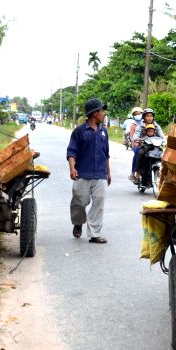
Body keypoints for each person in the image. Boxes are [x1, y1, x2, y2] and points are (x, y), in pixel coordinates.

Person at [66, 98, 111, 244]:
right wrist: (72, 168)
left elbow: (106, 154)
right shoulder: (79, 131)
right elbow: (71, 151)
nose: (104, 113)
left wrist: (108, 173)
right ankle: (78, 222)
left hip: (100, 174)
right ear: (95, 113)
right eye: (102, 111)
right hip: (83, 173)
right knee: (79, 202)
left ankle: (94, 234)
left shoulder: (104, 132)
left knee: (99, 203)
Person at [130, 108, 163, 181]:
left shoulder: (157, 126)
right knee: (140, 153)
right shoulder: (140, 126)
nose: (149, 118)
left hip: (154, 146)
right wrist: (138, 140)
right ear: (144, 117)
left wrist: (165, 140)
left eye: (151, 116)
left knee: (162, 154)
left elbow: (162, 136)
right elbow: (135, 136)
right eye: (147, 116)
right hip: (143, 146)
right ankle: (136, 172)